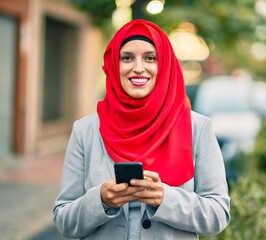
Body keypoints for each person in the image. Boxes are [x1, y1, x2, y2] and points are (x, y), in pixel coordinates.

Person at [53, 19, 230, 240]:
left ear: (164, 64)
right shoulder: (85, 130)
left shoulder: (197, 128)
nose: (138, 67)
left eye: (150, 58)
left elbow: (218, 215)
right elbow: (63, 220)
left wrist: (165, 198)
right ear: (113, 66)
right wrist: (101, 200)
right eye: (127, 58)